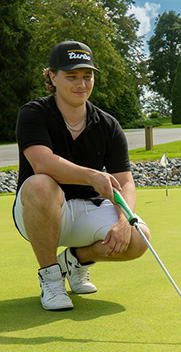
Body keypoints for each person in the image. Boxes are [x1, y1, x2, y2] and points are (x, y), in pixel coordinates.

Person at [14, 41, 149, 310]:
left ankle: (76, 261)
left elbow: (125, 181)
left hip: (89, 208)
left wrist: (125, 220)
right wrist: (91, 176)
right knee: (41, 184)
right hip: (41, 210)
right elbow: (42, 162)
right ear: (53, 77)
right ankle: (51, 280)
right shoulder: (34, 113)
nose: (81, 84)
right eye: (71, 76)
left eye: (87, 76)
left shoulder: (108, 125)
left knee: (138, 237)